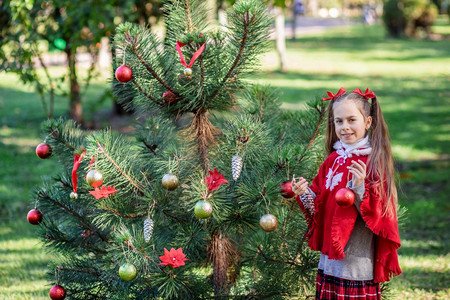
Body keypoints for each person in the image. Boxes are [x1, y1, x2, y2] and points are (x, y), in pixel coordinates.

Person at [292, 87, 402, 299]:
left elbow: (377, 217)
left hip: (356, 262)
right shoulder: (333, 160)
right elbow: (320, 206)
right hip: (331, 261)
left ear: (368, 122)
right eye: (339, 121)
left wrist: (359, 186)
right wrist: (305, 193)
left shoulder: (372, 161)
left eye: (352, 120)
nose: (345, 127)